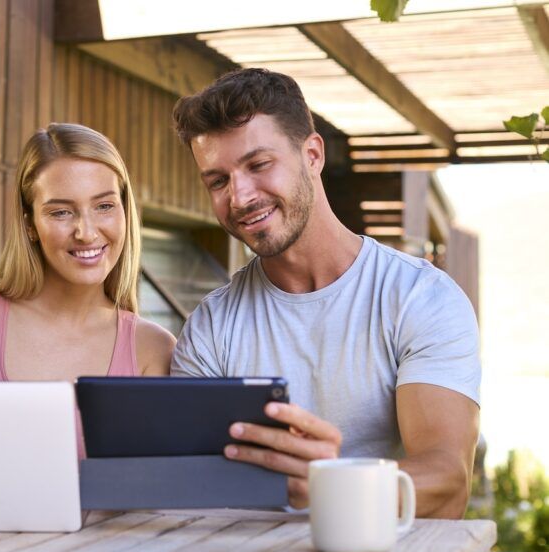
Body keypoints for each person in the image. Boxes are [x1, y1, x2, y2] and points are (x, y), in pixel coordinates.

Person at [170, 69, 480, 518]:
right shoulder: (211, 327)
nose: (239, 197)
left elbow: (448, 481)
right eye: (218, 180)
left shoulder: (420, 298)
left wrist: (330, 482)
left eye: (258, 165)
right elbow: (191, 483)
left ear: (312, 154)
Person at [0, 123, 175, 384]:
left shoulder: (154, 349)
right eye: (61, 212)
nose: (87, 233)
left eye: (104, 206)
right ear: (30, 224)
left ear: (125, 213)